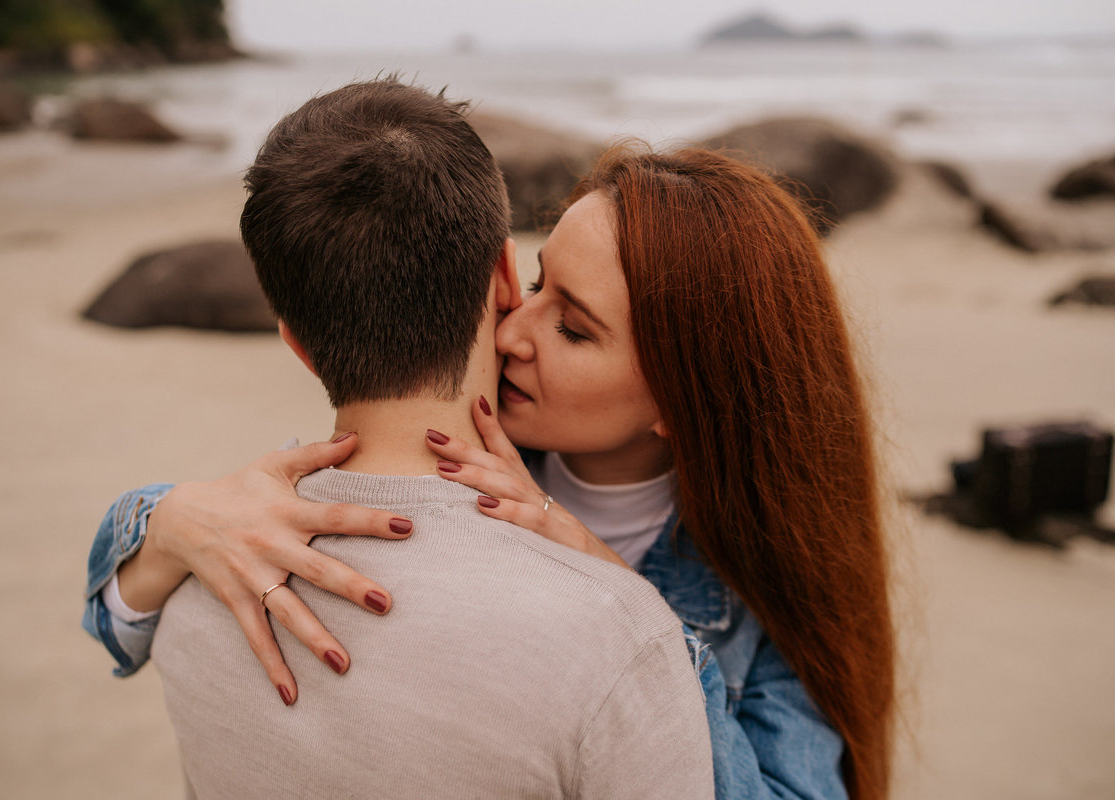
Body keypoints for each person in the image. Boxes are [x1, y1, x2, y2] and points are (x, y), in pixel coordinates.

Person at [85, 128, 896, 798]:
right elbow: (122, 626)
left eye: (573, 330)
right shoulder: (453, 462)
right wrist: (171, 521)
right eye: (536, 285)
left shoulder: (765, 580)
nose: (510, 333)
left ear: (683, 398)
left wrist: (621, 588)